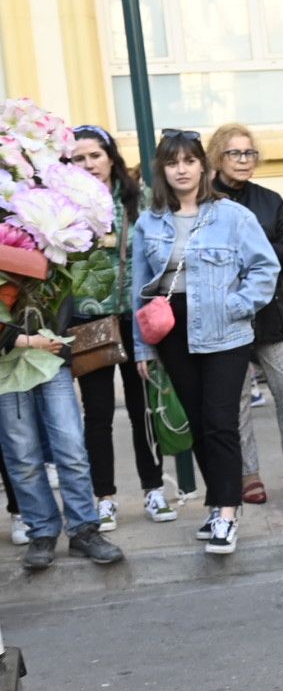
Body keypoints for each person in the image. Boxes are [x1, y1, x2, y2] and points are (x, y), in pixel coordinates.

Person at [131, 129, 280, 557]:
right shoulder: (149, 222)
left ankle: (227, 513)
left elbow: (264, 268)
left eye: (189, 161)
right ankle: (218, 503)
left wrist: (237, 305)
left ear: (203, 167)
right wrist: (143, 347)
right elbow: (140, 289)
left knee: (219, 421)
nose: (182, 169)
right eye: (173, 162)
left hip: (225, 331)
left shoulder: (232, 216)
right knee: (195, 423)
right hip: (172, 332)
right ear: (163, 170)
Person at [207, 124, 283, 505]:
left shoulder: (270, 200)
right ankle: (250, 475)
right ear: (217, 157)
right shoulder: (207, 201)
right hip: (228, 316)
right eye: (235, 154)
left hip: (270, 314)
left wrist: (252, 253)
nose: (244, 161)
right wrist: (262, 253)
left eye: (249, 154)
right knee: (239, 396)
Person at [67, 125, 175, 528]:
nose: (88, 164)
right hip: (87, 318)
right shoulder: (63, 203)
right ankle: (104, 497)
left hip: (135, 317)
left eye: (94, 155)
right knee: (96, 414)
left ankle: (154, 490)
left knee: (142, 407)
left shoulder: (139, 198)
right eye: (78, 158)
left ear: (111, 156)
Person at [0, 321, 126, 570]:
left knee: (71, 447)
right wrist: (23, 340)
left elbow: (63, 293)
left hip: (52, 351)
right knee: (22, 456)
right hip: (5, 364)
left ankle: (83, 529)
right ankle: (42, 532)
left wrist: (51, 332)